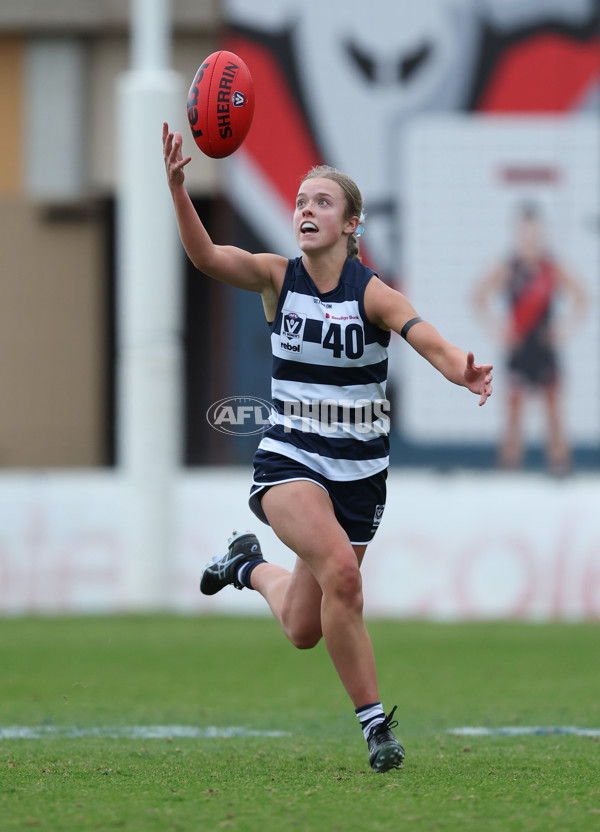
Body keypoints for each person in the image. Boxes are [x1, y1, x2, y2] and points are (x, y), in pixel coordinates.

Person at [162, 122, 493, 773]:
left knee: (303, 626)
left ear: (350, 224)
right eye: (300, 201)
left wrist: (458, 366)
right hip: (290, 459)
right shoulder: (273, 278)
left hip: (361, 474)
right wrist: (179, 190)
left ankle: (245, 565)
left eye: (322, 202)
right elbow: (206, 258)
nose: (306, 210)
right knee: (343, 574)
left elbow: (423, 335)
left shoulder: (371, 292)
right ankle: (376, 729)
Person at [474, 203, 587, 476]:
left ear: (542, 234)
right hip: (520, 349)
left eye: (535, 234)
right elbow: (478, 296)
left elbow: (581, 296)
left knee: (553, 413)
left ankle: (560, 469)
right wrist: (499, 329)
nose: (530, 239)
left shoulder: (551, 267)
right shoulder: (508, 267)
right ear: (517, 234)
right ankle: (509, 472)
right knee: (513, 414)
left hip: (544, 349)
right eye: (525, 234)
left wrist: (563, 329)